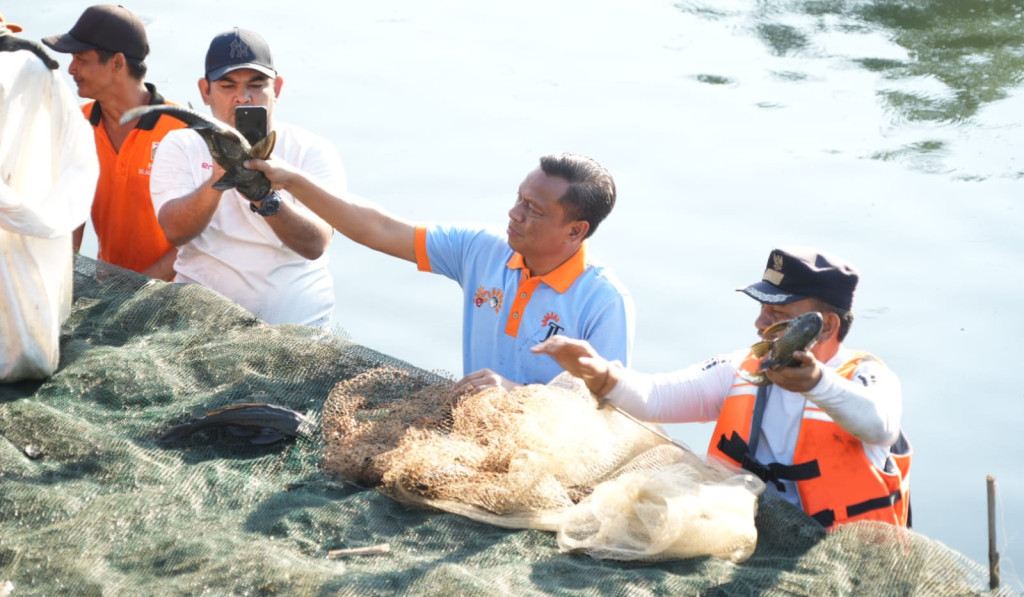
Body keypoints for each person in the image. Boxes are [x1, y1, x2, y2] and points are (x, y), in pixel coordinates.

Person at [533, 246, 911, 530]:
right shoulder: (743, 366)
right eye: (763, 308)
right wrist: (599, 373)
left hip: (841, 557)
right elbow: (657, 397)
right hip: (747, 535)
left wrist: (817, 383)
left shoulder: (866, 377)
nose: (760, 323)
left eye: (777, 315)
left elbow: (880, 425)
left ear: (826, 327)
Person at [244, 151, 635, 393]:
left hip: (549, 451)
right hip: (474, 429)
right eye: (519, 198)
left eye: (534, 209)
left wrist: (517, 394)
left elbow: (607, 402)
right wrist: (291, 180)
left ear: (576, 230)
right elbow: (379, 228)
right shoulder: (483, 249)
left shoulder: (604, 300)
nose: (514, 213)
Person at [149, 27, 341, 330]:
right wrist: (219, 178)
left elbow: (316, 244)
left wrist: (263, 196)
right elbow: (175, 232)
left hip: (298, 330)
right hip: (200, 325)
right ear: (205, 91)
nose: (243, 97)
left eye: (257, 84)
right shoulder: (180, 144)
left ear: (276, 88)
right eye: (227, 86)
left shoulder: (313, 149)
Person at [41, 4, 188, 281]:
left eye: (81, 59)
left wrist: (139, 289)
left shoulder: (183, 131)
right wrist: (61, 281)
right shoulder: (75, 123)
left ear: (117, 63)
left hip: (174, 296)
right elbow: (71, 213)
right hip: (107, 290)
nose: (71, 69)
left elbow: (201, 239)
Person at [1, 11, 99, 381]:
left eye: (83, 58)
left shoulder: (25, 69)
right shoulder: (39, 70)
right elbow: (75, 178)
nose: (73, 68)